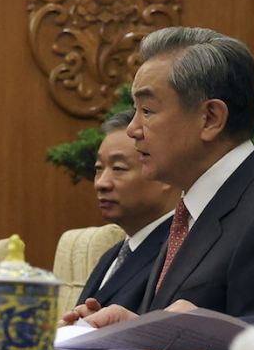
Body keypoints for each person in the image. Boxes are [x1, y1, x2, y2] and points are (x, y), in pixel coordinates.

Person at [77, 27, 254, 327]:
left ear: (210, 118)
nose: (132, 129)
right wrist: (130, 330)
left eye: (148, 110)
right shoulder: (192, 208)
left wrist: (200, 338)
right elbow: (177, 328)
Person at [60, 110, 176, 324]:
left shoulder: (180, 251)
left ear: (165, 173)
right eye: (98, 169)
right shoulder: (113, 255)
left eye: (118, 168)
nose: (101, 183)